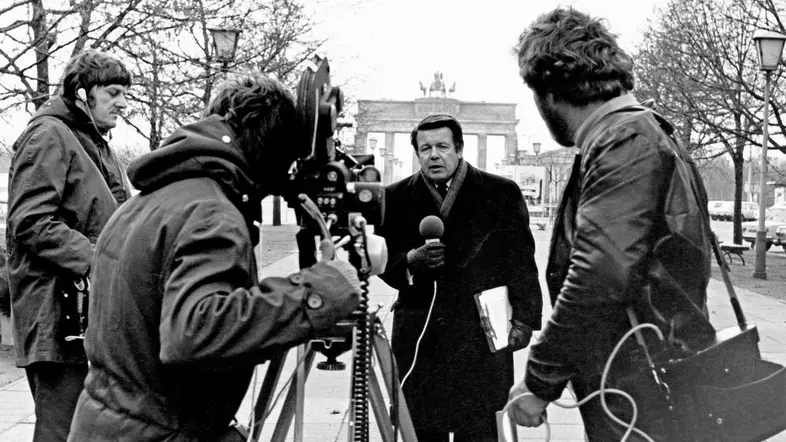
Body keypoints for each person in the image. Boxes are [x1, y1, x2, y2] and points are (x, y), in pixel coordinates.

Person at [66, 72, 362, 441]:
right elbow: (195, 331)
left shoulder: (146, 202)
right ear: (271, 147)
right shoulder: (212, 213)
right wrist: (322, 290)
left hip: (104, 423)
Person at [507, 7, 715, 440]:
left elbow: (599, 273)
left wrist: (540, 379)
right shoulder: (639, 132)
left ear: (548, 92)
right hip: (645, 379)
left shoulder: (624, 140)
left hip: (642, 388)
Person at [377, 114, 543, 441]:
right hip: (421, 338)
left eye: (442, 146)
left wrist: (524, 320)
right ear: (416, 153)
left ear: (460, 148)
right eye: (425, 148)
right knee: (421, 429)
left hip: (481, 335)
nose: (434, 155)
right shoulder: (394, 197)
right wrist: (410, 261)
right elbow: (381, 260)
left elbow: (521, 262)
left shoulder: (501, 192)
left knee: (481, 428)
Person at [6, 49, 132, 441]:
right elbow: (29, 221)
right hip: (57, 318)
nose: (123, 103)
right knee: (61, 432)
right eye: (112, 92)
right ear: (82, 93)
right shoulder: (48, 135)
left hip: (85, 318)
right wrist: (99, 260)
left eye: (124, 93)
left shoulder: (92, 141)